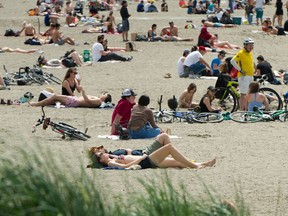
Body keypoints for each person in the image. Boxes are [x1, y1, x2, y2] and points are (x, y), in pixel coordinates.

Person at [93, 142, 216, 169]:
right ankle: (195, 166)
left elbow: (126, 158)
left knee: (176, 162)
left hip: (147, 160)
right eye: (101, 155)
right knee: (169, 147)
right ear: (101, 160)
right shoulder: (110, 162)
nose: (103, 153)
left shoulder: (111, 157)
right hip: (146, 161)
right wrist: (141, 158)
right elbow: (125, 167)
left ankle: (204, 164)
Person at [231, 38, 255, 111]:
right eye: (250, 45)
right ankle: (241, 111)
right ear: (245, 45)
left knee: (249, 94)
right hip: (244, 76)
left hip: (250, 75)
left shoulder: (250, 53)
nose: (251, 47)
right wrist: (240, 70)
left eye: (252, 45)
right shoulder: (241, 53)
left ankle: (246, 109)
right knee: (243, 94)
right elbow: (232, 61)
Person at [29, 89, 111, 108]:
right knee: (54, 98)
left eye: (104, 94)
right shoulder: (98, 100)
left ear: (105, 98)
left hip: (74, 101)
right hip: (74, 100)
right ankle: (38, 104)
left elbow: (87, 100)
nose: (102, 94)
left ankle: (36, 104)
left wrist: (83, 92)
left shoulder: (98, 101)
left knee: (55, 97)